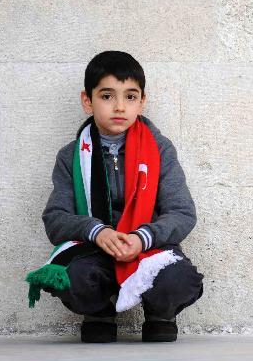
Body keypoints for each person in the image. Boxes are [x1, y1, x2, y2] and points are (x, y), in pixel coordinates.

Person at [39, 51, 204, 343]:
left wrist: (143, 237)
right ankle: (100, 312)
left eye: (130, 96)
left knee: (180, 280)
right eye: (106, 96)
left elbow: (182, 212)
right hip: (94, 251)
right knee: (70, 278)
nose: (119, 106)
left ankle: (160, 314)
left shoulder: (160, 150)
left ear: (142, 101)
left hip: (149, 250)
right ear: (87, 101)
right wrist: (96, 231)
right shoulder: (71, 157)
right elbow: (55, 219)